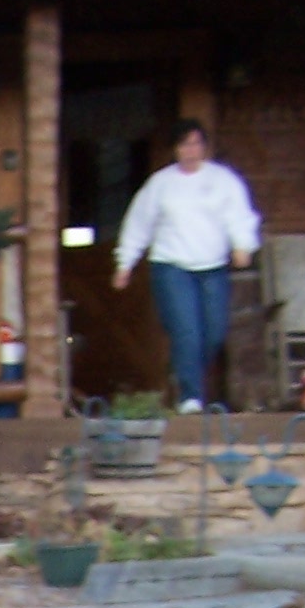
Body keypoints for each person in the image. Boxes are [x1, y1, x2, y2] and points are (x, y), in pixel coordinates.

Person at [113, 118, 262, 413]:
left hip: (213, 266)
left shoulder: (223, 180)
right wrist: (125, 262)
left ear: (204, 147)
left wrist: (243, 245)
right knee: (187, 331)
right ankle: (190, 397)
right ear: (175, 149)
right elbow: (139, 223)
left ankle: (183, 370)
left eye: (196, 143)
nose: (190, 150)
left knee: (214, 332)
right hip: (172, 266)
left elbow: (239, 215)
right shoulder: (161, 184)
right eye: (184, 144)